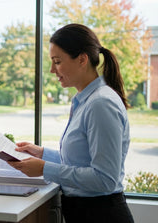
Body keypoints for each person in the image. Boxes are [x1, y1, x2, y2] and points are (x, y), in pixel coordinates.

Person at [8, 23, 134, 223]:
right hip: (86, 213)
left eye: (57, 61)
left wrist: (44, 168)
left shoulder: (100, 104)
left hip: (101, 215)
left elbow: (104, 179)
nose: (51, 70)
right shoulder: (84, 100)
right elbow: (81, 162)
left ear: (82, 59)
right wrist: (42, 154)